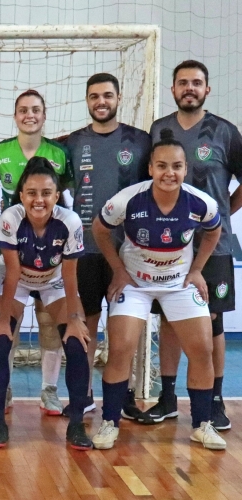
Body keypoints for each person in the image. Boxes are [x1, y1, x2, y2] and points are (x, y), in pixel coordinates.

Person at [91, 129, 225, 451]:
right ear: (150, 168)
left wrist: (196, 271)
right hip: (135, 284)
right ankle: (110, 422)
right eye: (162, 166)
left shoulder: (201, 203)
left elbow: (214, 230)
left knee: (202, 349)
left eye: (176, 166)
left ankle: (202, 424)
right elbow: (99, 229)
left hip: (179, 284)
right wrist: (119, 271)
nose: (169, 173)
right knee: (121, 346)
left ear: (185, 169)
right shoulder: (127, 200)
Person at [143, 60, 242, 430]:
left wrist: (221, 215)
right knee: (169, 320)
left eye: (197, 83)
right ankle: (167, 398)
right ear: (172, 89)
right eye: (183, 82)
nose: (190, 88)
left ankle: (214, 400)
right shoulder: (159, 129)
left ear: (207, 89)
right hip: (167, 246)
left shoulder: (225, 132)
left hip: (213, 249)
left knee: (212, 322)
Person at [63, 74, 151, 420]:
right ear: (87, 100)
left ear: (119, 98)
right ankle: (83, 395)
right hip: (84, 251)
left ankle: (123, 395)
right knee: (85, 324)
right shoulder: (72, 142)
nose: (101, 101)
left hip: (129, 252)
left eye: (108, 95)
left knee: (123, 329)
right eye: (94, 96)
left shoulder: (140, 141)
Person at [0, 157, 90, 449]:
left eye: (46, 193)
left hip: (54, 280)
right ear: (21, 195)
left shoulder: (69, 221)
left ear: (57, 196)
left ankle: (77, 424)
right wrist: (4, 320)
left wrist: (73, 318)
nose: (39, 199)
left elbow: (70, 274)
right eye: (31, 193)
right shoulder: (10, 218)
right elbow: (13, 272)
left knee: (77, 342)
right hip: (16, 280)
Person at [0, 89, 73, 415]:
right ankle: (3, 386)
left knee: (50, 321)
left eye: (36, 109)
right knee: (8, 318)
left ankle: (48, 389)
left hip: (49, 247)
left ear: (44, 114)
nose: (29, 115)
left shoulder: (59, 154)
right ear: (15, 115)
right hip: (11, 245)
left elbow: (64, 199)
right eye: (23, 110)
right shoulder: (0, 152)